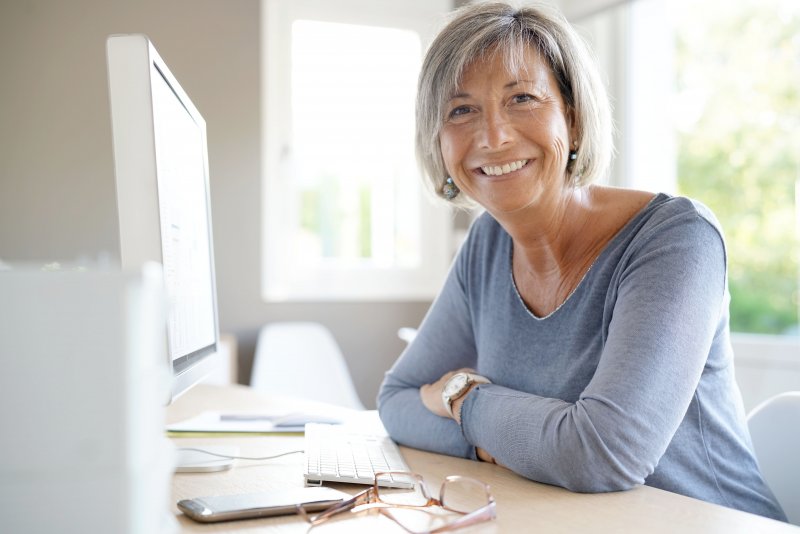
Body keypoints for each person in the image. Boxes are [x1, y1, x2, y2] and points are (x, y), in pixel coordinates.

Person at [376, 1, 787, 521]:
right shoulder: (485, 247)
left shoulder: (676, 240)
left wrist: (462, 396)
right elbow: (396, 401)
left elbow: (603, 453)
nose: (494, 135)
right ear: (438, 140)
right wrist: (494, 445)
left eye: (521, 98)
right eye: (461, 110)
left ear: (570, 116)